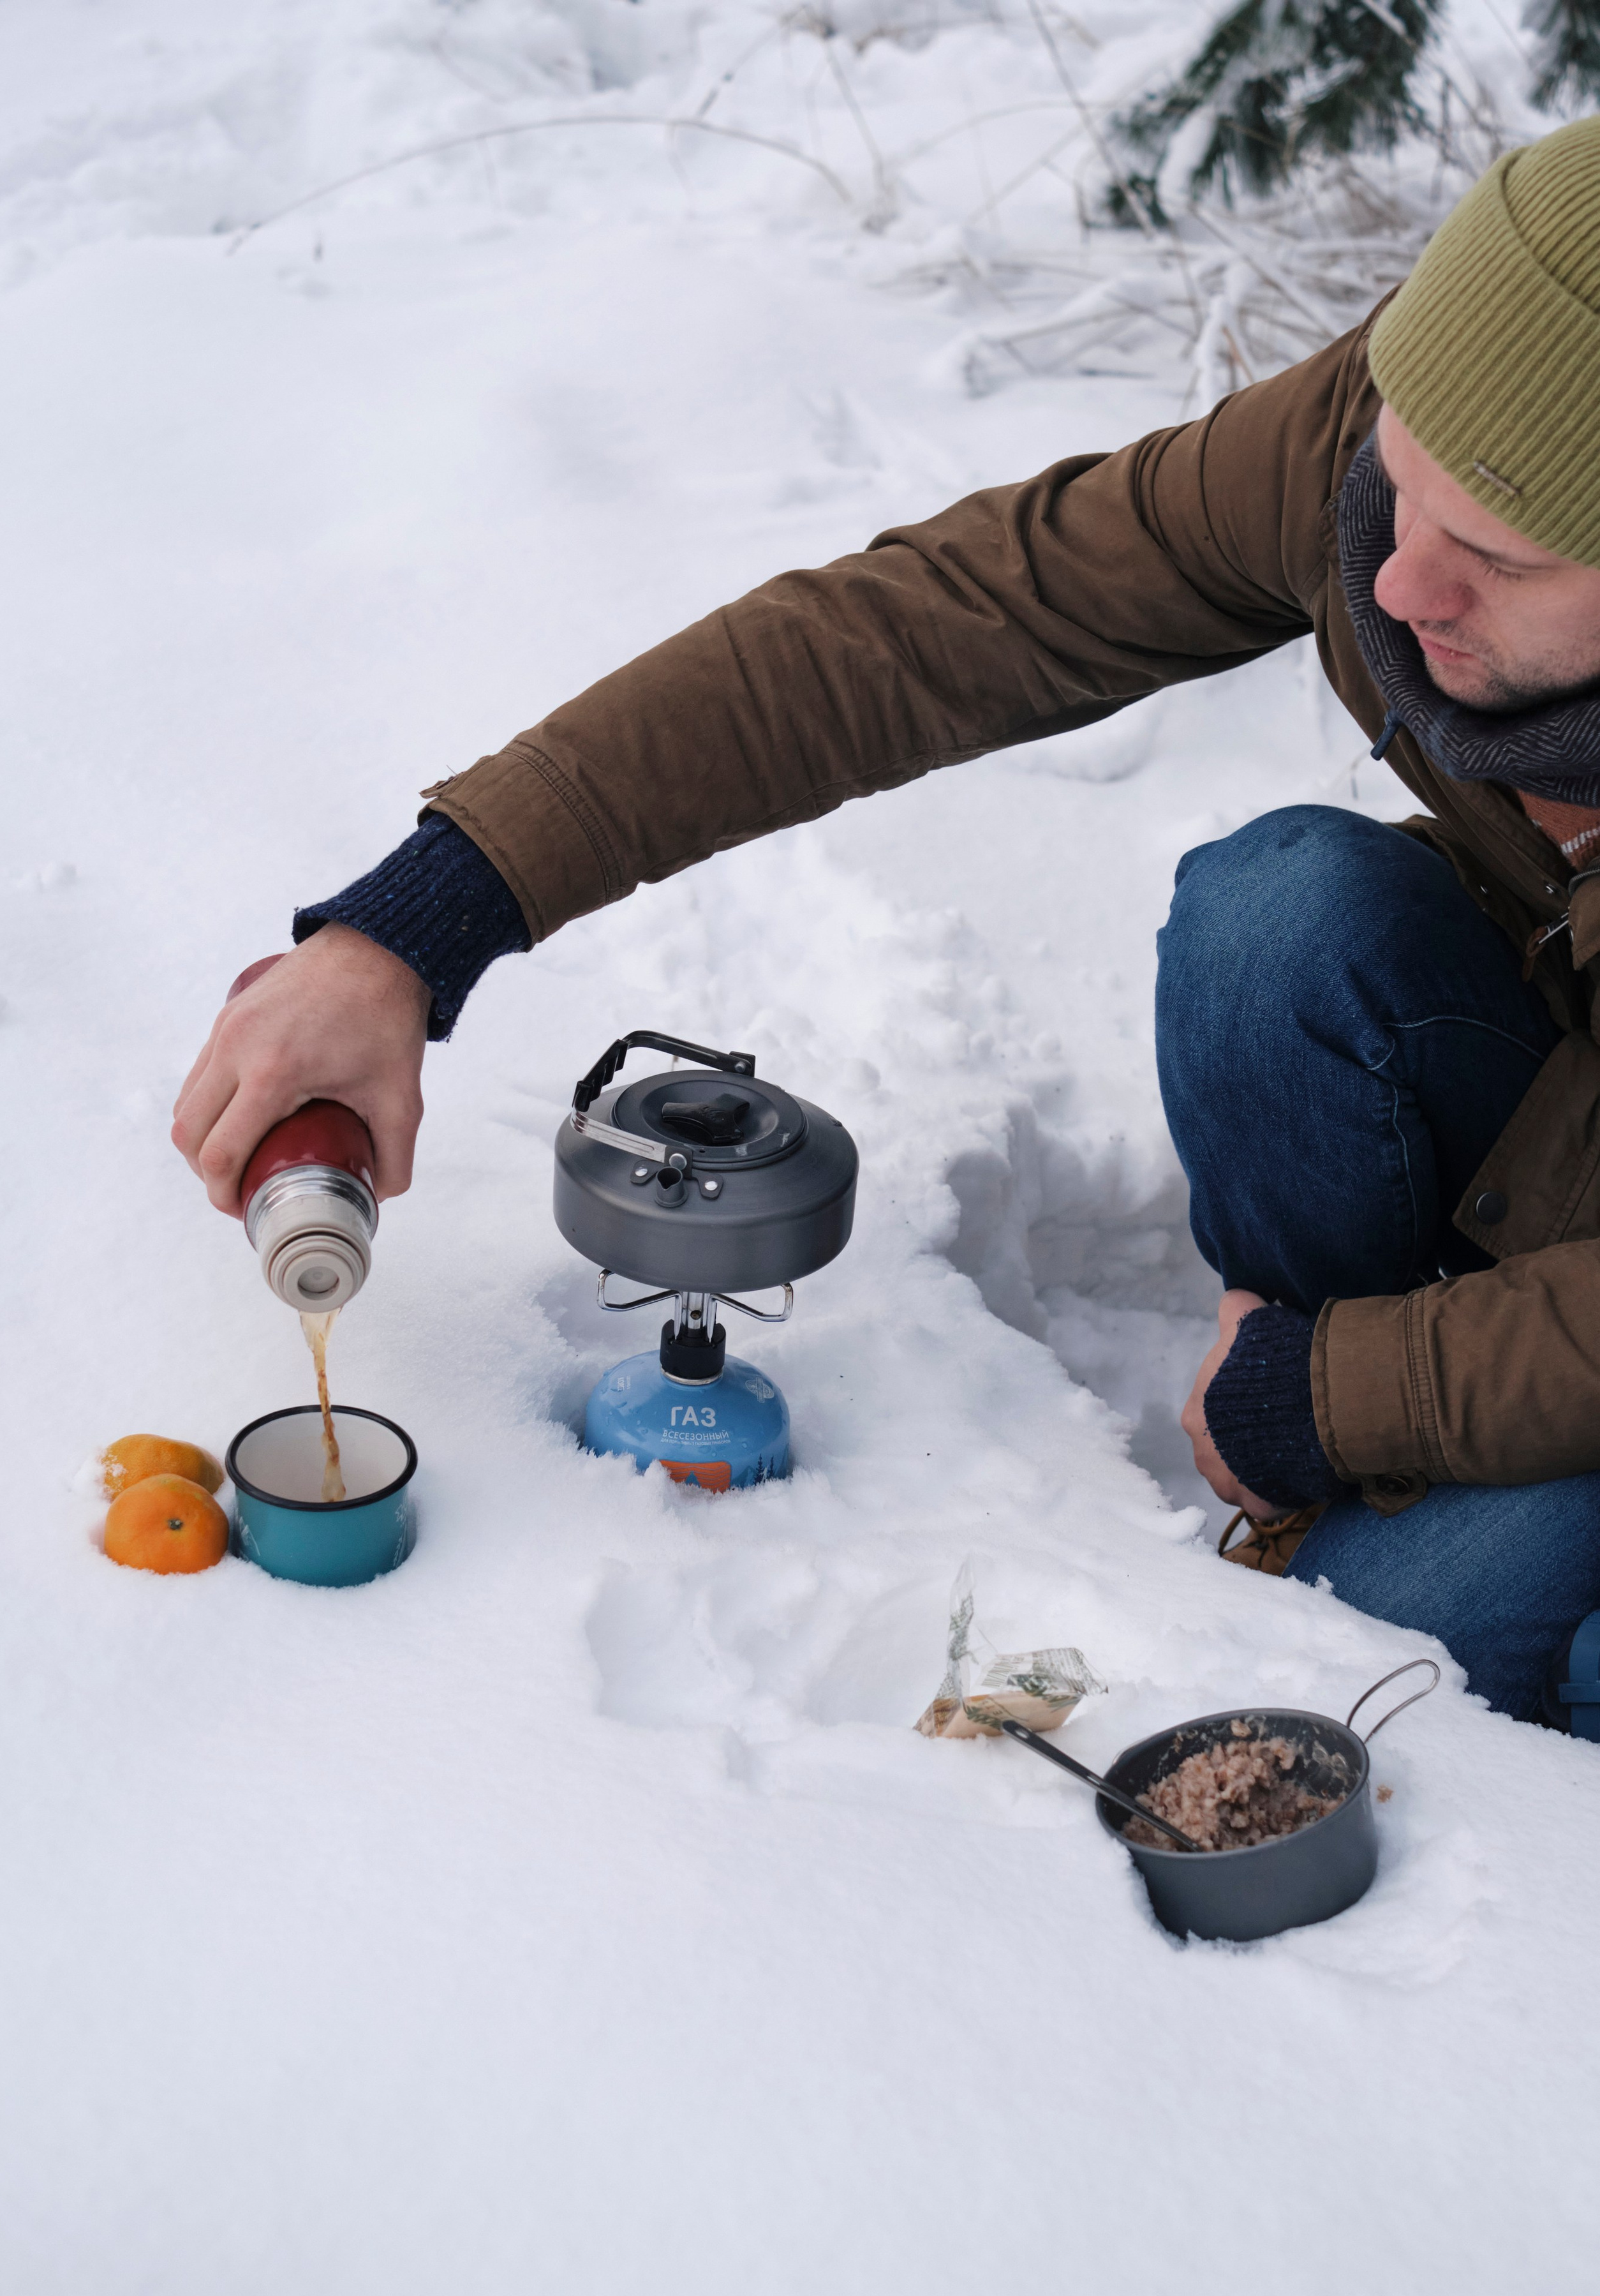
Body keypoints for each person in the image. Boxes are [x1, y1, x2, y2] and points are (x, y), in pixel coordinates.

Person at [175, 118, 1600, 1729]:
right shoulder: (1418, 431)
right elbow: (952, 622)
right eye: (1396, 488)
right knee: (1275, 920)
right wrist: (417, 923)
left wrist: (1334, 1397)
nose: (1395, 584)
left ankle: (1379, 1486)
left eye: (1491, 562)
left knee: (1423, 1656)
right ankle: (1328, 1466)